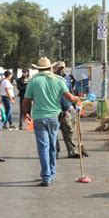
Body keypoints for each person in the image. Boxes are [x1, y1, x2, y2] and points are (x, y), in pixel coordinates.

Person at [22, 57, 81, 187]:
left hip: (39, 118)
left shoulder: (33, 81)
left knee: (43, 147)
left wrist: (25, 113)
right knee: (52, 145)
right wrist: (77, 99)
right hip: (54, 117)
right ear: (50, 68)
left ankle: (46, 176)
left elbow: (26, 101)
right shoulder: (59, 80)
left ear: (38, 69)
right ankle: (52, 172)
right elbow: (69, 97)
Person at [53, 61, 87, 159]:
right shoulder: (52, 80)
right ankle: (55, 152)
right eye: (59, 68)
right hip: (55, 110)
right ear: (55, 69)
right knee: (54, 133)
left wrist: (76, 106)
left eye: (62, 68)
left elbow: (71, 92)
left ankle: (72, 151)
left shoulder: (67, 79)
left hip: (67, 109)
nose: (61, 70)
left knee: (69, 131)